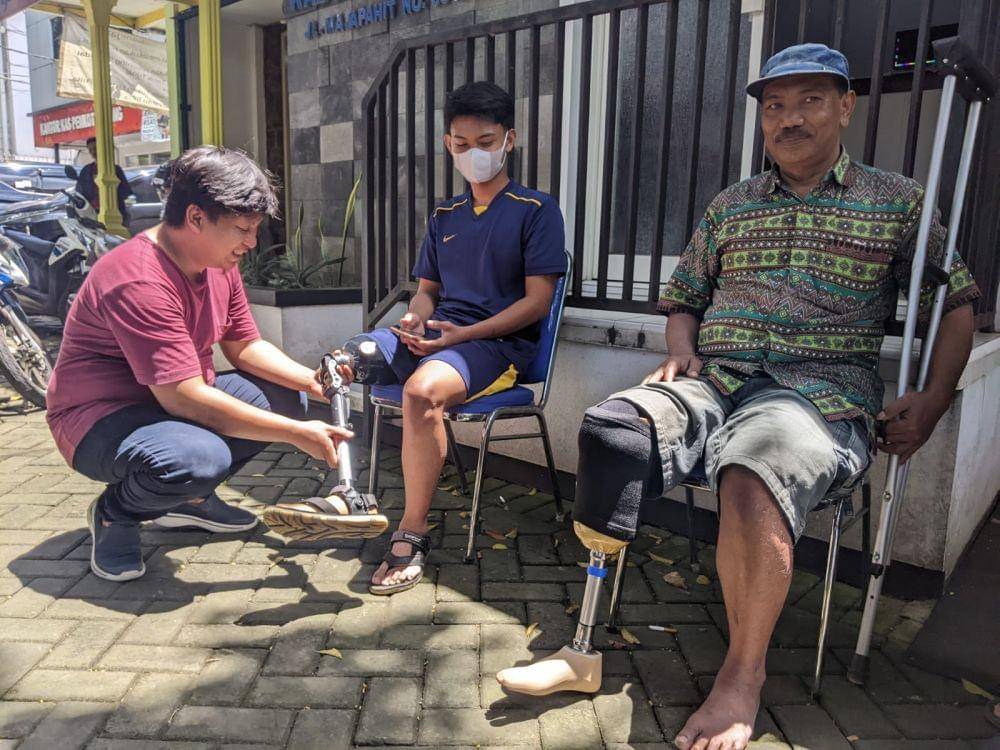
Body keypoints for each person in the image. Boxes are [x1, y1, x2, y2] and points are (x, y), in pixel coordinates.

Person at [495, 43, 980, 750]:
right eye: (775, 107)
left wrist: (933, 403)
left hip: (817, 395)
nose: (789, 119)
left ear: (846, 107)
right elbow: (685, 299)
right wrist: (682, 346)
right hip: (714, 380)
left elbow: (958, 303)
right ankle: (583, 649)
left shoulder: (897, 202)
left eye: (810, 100)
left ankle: (741, 678)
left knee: (753, 471)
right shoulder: (732, 205)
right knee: (613, 430)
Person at [264, 81, 568, 596]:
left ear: (510, 140)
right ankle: (346, 493)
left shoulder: (537, 211)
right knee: (341, 363)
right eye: (462, 143)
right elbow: (426, 292)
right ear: (449, 144)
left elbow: (537, 304)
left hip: (496, 347)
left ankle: (412, 531)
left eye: (487, 141)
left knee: (421, 392)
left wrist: (463, 333)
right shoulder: (444, 216)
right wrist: (413, 319)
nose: (475, 154)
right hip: (437, 335)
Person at [46, 146, 359, 582]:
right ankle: (115, 513)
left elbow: (244, 345)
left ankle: (185, 501)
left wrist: (312, 383)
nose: (251, 243)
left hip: (168, 404)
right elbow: (185, 399)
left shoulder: (217, 262)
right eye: (242, 230)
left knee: (282, 399)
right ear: (195, 218)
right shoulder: (138, 279)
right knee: (197, 460)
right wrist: (296, 436)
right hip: (98, 421)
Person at [76, 136, 134, 223]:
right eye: (90, 149)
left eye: (95, 148)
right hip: (91, 214)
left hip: (114, 215)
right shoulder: (86, 171)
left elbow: (127, 192)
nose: (93, 152)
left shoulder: (115, 169)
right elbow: (80, 192)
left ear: (102, 149)